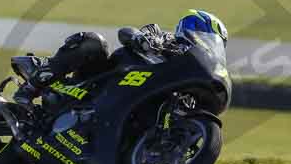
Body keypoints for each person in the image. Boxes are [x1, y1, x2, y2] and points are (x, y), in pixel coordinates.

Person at [13, 9, 228, 106]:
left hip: (140, 97)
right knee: (93, 42)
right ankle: (38, 79)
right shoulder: (164, 38)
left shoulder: (189, 70)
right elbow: (127, 32)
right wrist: (141, 39)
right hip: (106, 79)